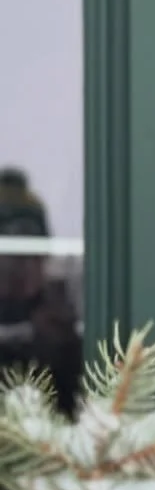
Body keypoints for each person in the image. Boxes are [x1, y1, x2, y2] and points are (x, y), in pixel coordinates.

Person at [0, 168, 82, 414]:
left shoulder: (57, 321)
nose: (25, 266)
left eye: (35, 254)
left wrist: (60, 346)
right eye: (14, 254)